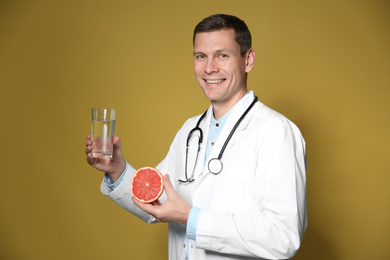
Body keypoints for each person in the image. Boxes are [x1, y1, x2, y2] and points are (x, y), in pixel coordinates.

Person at [85, 14, 307, 260]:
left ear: (248, 60)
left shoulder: (276, 131)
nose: (210, 68)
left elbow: (283, 237)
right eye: (201, 56)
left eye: (223, 55)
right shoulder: (190, 131)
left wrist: (191, 218)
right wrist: (118, 171)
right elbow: (156, 204)